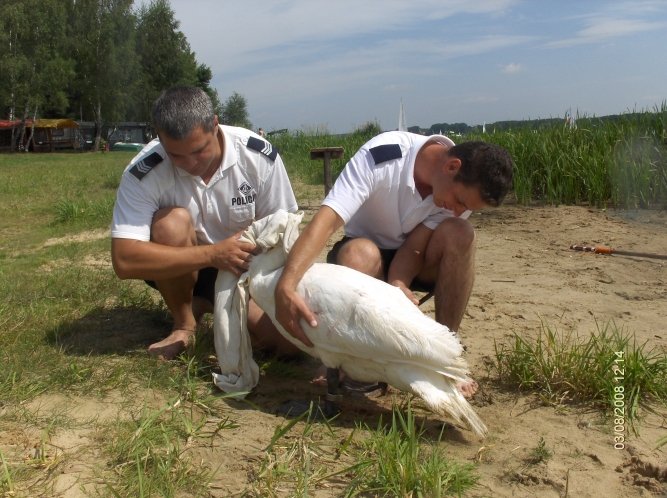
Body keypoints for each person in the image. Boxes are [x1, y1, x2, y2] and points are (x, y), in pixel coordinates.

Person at [274, 130, 514, 394]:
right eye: (459, 201)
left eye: (465, 207)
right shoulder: (381, 158)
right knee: (360, 254)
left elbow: (416, 245)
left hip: (415, 257)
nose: (458, 210)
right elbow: (328, 219)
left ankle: (444, 357)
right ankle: (351, 362)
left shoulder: (460, 188)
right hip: (365, 256)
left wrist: (399, 283)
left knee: (460, 232)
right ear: (452, 166)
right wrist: (287, 283)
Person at [111, 86, 299, 360]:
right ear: (159, 139)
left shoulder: (257, 157)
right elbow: (124, 260)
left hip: (244, 269)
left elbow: (287, 233)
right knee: (170, 225)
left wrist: (279, 292)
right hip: (182, 266)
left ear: (214, 124)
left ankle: (209, 303)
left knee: (288, 344)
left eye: (199, 150)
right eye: (176, 155)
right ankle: (184, 322)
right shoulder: (144, 171)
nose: (189, 163)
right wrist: (213, 254)